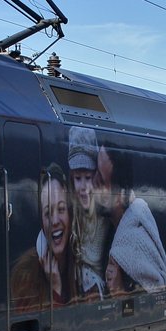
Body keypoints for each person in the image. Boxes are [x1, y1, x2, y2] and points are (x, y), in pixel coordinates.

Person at [94, 143, 166, 294]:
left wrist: (119, 289)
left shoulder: (134, 242)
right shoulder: (106, 233)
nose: (93, 183)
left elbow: (156, 298)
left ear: (120, 195)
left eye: (101, 181)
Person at [11, 164, 79, 310]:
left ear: (70, 213)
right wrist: (56, 288)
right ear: (41, 221)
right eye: (48, 213)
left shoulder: (84, 267)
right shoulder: (25, 275)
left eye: (61, 209)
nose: (55, 221)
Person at [66, 127, 109, 299]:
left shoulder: (106, 218)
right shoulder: (69, 216)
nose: (83, 188)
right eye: (78, 178)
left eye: (88, 178)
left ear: (96, 176)